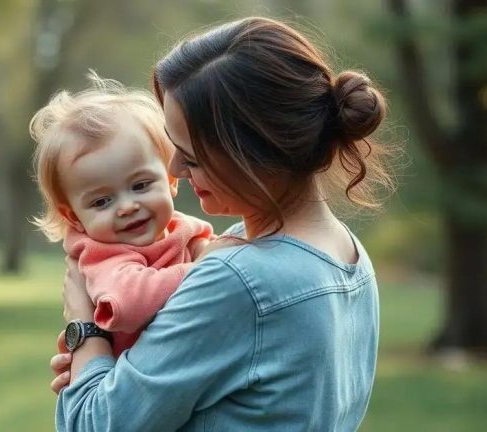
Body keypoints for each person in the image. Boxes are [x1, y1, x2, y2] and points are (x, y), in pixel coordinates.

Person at [49, 16, 396, 431]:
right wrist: (103, 364)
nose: (175, 168)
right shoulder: (348, 254)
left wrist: (84, 326)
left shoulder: (237, 278)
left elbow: (94, 423)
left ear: (251, 151)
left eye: (191, 156)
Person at [29, 75, 214, 357]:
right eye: (102, 201)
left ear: (170, 180)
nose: (127, 207)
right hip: (132, 376)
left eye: (140, 186)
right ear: (74, 217)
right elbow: (129, 303)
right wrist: (204, 268)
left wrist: (213, 251)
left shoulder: (183, 227)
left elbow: (215, 249)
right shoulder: (102, 254)